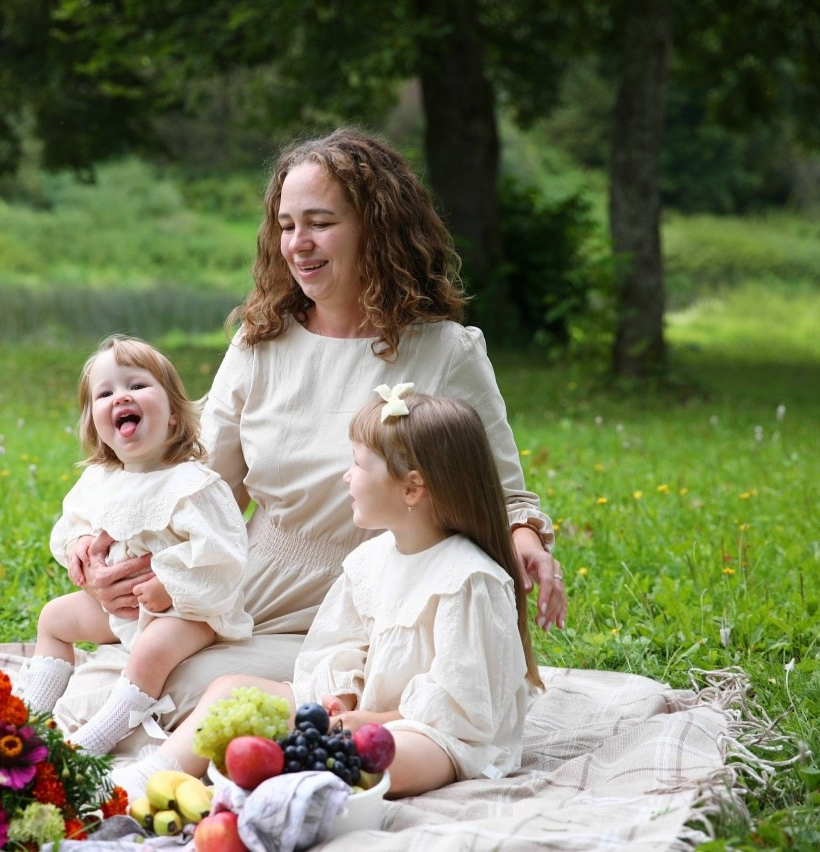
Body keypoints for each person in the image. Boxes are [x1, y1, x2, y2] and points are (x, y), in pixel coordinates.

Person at [52, 128, 564, 753]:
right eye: (287, 225)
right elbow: (193, 481)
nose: (299, 244)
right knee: (144, 671)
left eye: (320, 223)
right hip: (252, 586)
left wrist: (527, 540)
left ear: (377, 228)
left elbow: (505, 493)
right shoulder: (261, 343)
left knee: (189, 685)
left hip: (370, 603)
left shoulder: (447, 352)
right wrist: (99, 551)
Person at [113, 388, 544, 799]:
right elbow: (341, 645)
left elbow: (463, 704)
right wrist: (343, 697)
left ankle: (276, 784)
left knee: (378, 752)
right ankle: (154, 771)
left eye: (357, 464)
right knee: (230, 688)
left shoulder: (467, 579)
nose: (346, 475)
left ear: (412, 488)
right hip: (360, 715)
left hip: (436, 733)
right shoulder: (370, 561)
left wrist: (373, 720)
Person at [28, 334, 253, 755]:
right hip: (120, 609)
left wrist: (169, 583)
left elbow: (223, 554)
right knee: (53, 617)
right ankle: (27, 716)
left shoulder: (193, 484)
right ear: (95, 422)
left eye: (136, 386)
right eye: (105, 392)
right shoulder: (100, 480)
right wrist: (78, 547)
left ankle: (100, 734)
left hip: (188, 612)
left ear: (172, 414)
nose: (120, 397)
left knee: (151, 650)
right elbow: (70, 525)